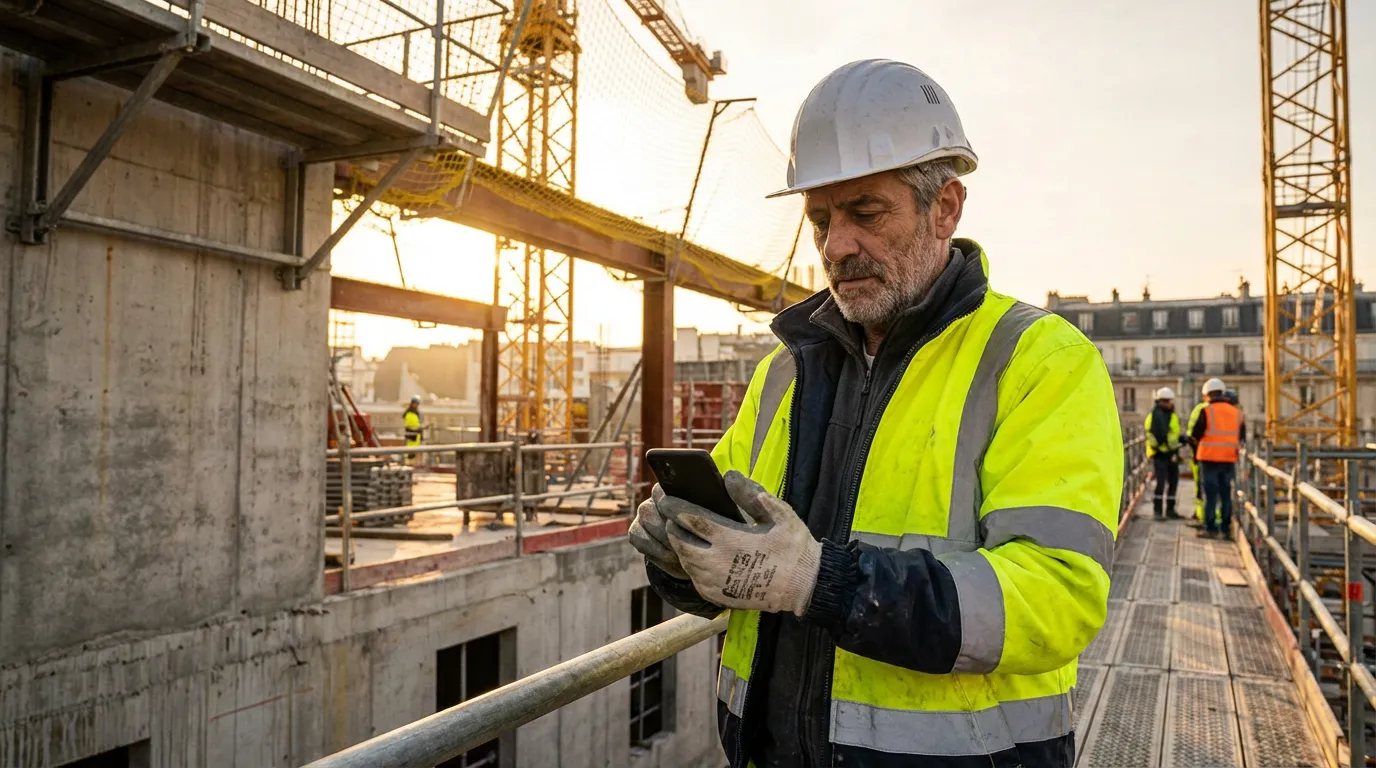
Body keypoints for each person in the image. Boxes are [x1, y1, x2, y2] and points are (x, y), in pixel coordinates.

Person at [628, 59, 1121, 768]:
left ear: (945, 208)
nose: (836, 247)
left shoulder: (1037, 362)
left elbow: (1057, 597)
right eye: (820, 220)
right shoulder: (784, 372)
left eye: (865, 213)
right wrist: (681, 553)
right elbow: (739, 564)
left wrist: (820, 581)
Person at [1189, 379, 1242, 539]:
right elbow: (1242, 436)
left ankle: (1210, 528)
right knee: (1226, 495)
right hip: (1229, 459)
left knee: (1210, 496)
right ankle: (1225, 529)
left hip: (1208, 459)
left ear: (1207, 395)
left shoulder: (1206, 411)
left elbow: (1195, 435)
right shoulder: (1237, 413)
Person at [1145, 387, 1182, 519]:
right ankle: (1158, 511)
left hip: (1171, 454)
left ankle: (1170, 510)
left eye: (1170, 401)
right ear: (1160, 402)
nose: (1169, 403)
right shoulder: (1154, 417)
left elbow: (1174, 433)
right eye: (1166, 401)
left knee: (1173, 482)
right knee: (1160, 483)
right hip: (1160, 455)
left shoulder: (1172, 416)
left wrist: (1180, 440)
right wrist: (1164, 446)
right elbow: (1154, 436)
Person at [404, 395, 422, 462]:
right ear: (412, 403)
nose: (417, 405)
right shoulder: (409, 413)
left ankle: (412, 464)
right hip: (412, 438)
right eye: (415, 403)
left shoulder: (416, 413)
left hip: (416, 438)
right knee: (410, 455)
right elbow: (409, 426)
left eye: (417, 404)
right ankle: (410, 464)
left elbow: (416, 424)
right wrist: (417, 430)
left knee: (415, 455)